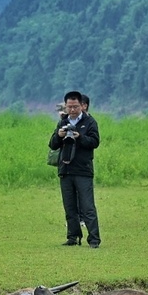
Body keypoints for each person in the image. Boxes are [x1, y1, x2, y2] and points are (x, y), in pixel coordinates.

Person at [49, 91, 101, 247]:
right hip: (65, 169)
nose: (72, 110)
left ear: (82, 106)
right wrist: (59, 135)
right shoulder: (62, 123)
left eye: (75, 106)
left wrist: (80, 137)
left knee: (87, 207)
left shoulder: (90, 122)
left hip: (83, 170)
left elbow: (95, 142)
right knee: (69, 206)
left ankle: (94, 240)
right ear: (65, 106)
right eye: (69, 107)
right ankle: (73, 237)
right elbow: (52, 145)